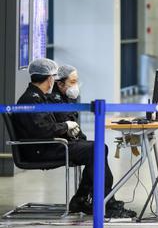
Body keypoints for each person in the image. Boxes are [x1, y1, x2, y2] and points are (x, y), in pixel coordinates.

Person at [13, 58, 135, 218]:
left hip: (48, 146)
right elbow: (41, 130)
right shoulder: (31, 99)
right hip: (41, 149)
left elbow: (44, 126)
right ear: (50, 79)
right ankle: (101, 202)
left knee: (97, 148)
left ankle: (86, 199)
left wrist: (66, 129)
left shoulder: (38, 96)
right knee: (96, 149)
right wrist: (66, 126)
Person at [50, 64, 87, 140]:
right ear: (60, 84)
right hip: (63, 142)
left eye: (76, 81)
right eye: (73, 82)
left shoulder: (67, 96)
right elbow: (65, 120)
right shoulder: (54, 98)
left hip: (73, 138)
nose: (76, 86)